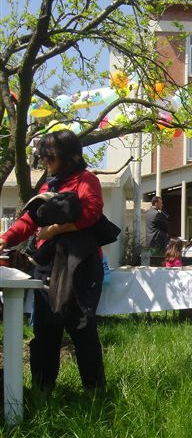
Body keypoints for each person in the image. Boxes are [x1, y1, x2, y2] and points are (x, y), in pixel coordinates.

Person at [0, 130, 106, 391]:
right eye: (43, 155)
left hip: (78, 264)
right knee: (46, 328)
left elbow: (92, 213)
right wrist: (4, 239)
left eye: (51, 156)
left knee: (81, 327)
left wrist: (56, 229)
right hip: (47, 265)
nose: (45, 160)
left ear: (69, 157)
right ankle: (42, 390)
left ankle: (94, 392)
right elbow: (29, 221)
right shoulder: (49, 186)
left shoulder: (86, 180)